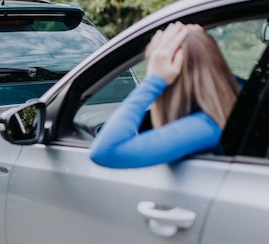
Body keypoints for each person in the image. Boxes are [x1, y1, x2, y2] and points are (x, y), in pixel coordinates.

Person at [90, 21, 240, 168]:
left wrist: (153, 82)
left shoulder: (206, 127)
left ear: (171, 78)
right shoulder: (241, 99)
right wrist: (201, 48)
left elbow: (106, 152)